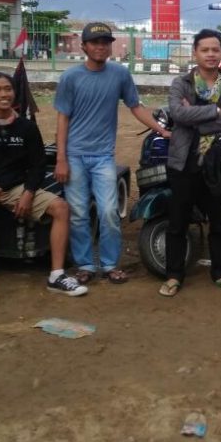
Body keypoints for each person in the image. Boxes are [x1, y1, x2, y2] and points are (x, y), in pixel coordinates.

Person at [0, 72, 86, 310]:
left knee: (61, 208)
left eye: (8, 89)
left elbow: (37, 166)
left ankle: (56, 275)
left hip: (17, 188)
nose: (4, 94)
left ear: (14, 93)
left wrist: (28, 193)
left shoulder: (26, 128)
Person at [54, 21, 171, 285]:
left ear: (110, 47)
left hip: (103, 157)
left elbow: (136, 107)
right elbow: (63, 119)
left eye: (105, 42)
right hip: (74, 155)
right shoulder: (70, 78)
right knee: (78, 213)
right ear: (84, 46)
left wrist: (162, 131)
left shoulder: (119, 74)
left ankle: (109, 264)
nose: (100, 46)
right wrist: (61, 159)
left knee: (109, 212)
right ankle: (85, 264)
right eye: (94, 42)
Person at [159, 29, 221, 297]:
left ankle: (220, 273)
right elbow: (177, 113)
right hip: (184, 162)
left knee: (219, 221)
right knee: (178, 221)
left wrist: (194, 117)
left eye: (215, 49)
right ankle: (173, 275)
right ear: (195, 53)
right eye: (204, 49)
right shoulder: (181, 83)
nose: (210, 54)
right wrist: (214, 110)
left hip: (219, 161)